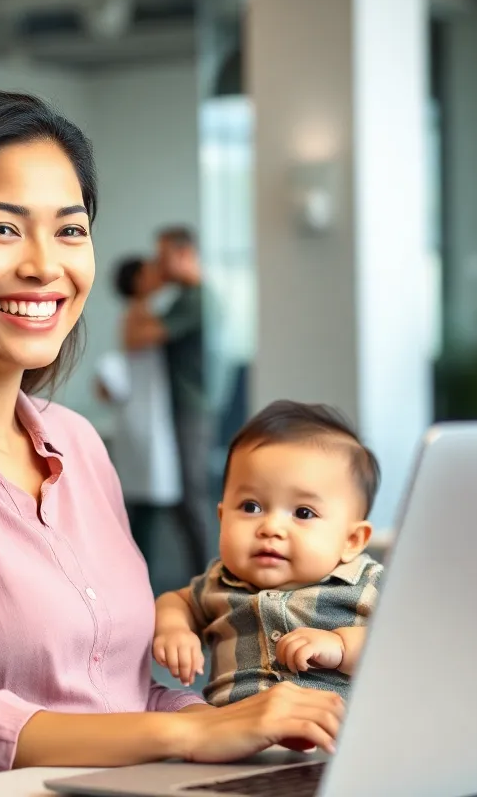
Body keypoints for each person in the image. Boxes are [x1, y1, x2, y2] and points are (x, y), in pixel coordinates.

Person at [0, 92, 345, 794]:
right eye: (2, 230)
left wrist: (258, 726)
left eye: (70, 231)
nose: (46, 266)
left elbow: (121, 700)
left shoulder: (77, 443)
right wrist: (188, 733)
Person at [152, 400, 384, 706]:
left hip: (333, 741)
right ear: (222, 518)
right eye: (251, 507)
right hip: (234, 738)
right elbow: (175, 601)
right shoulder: (220, 582)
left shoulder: (365, 584)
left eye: (303, 512)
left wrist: (342, 646)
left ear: (352, 540)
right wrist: (174, 629)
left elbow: (401, 649)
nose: (271, 527)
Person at [124, 227, 212, 574]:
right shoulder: (182, 298)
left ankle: (205, 580)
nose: (158, 266)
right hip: (177, 407)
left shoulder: (193, 298)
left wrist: (142, 296)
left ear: (184, 254)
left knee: (191, 497)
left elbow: (140, 336)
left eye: (163, 258)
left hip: (189, 409)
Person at [95, 256, 181, 566]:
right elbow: (136, 342)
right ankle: (140, 571)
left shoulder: (146, 312)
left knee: (148, 501)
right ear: (137, 281)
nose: (157, 273)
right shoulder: (137, 316)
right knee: (143, 503)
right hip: (142, 417)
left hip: (149, 414)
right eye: (149, 271)